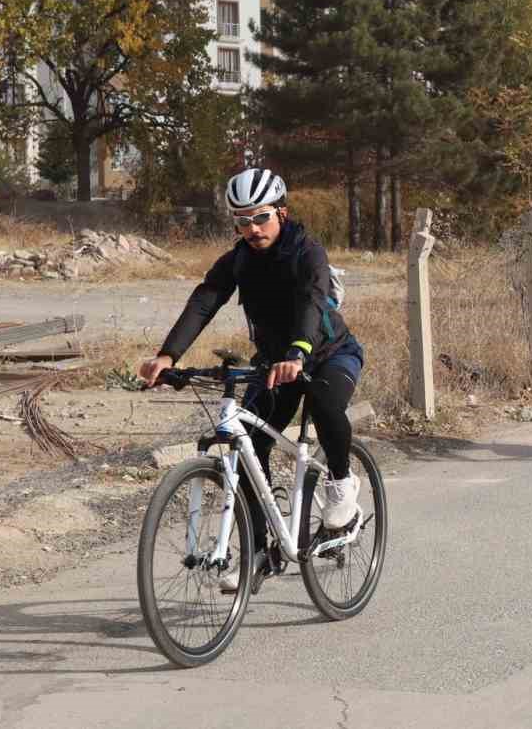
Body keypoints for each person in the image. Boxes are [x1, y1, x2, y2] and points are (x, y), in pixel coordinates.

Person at [137, 168, 365, 593]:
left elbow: (314, 302)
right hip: (274, 364)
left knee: (326, 405)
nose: (252, 229)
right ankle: (258, 551)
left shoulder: (307, 251)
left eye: (261, 217)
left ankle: (340, 484)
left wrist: (298, 352)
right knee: (249, 444)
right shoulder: (238, 260)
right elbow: (204, 301)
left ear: (282, 211)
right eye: (242, 221)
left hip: (329, 355)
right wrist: (167, 356)